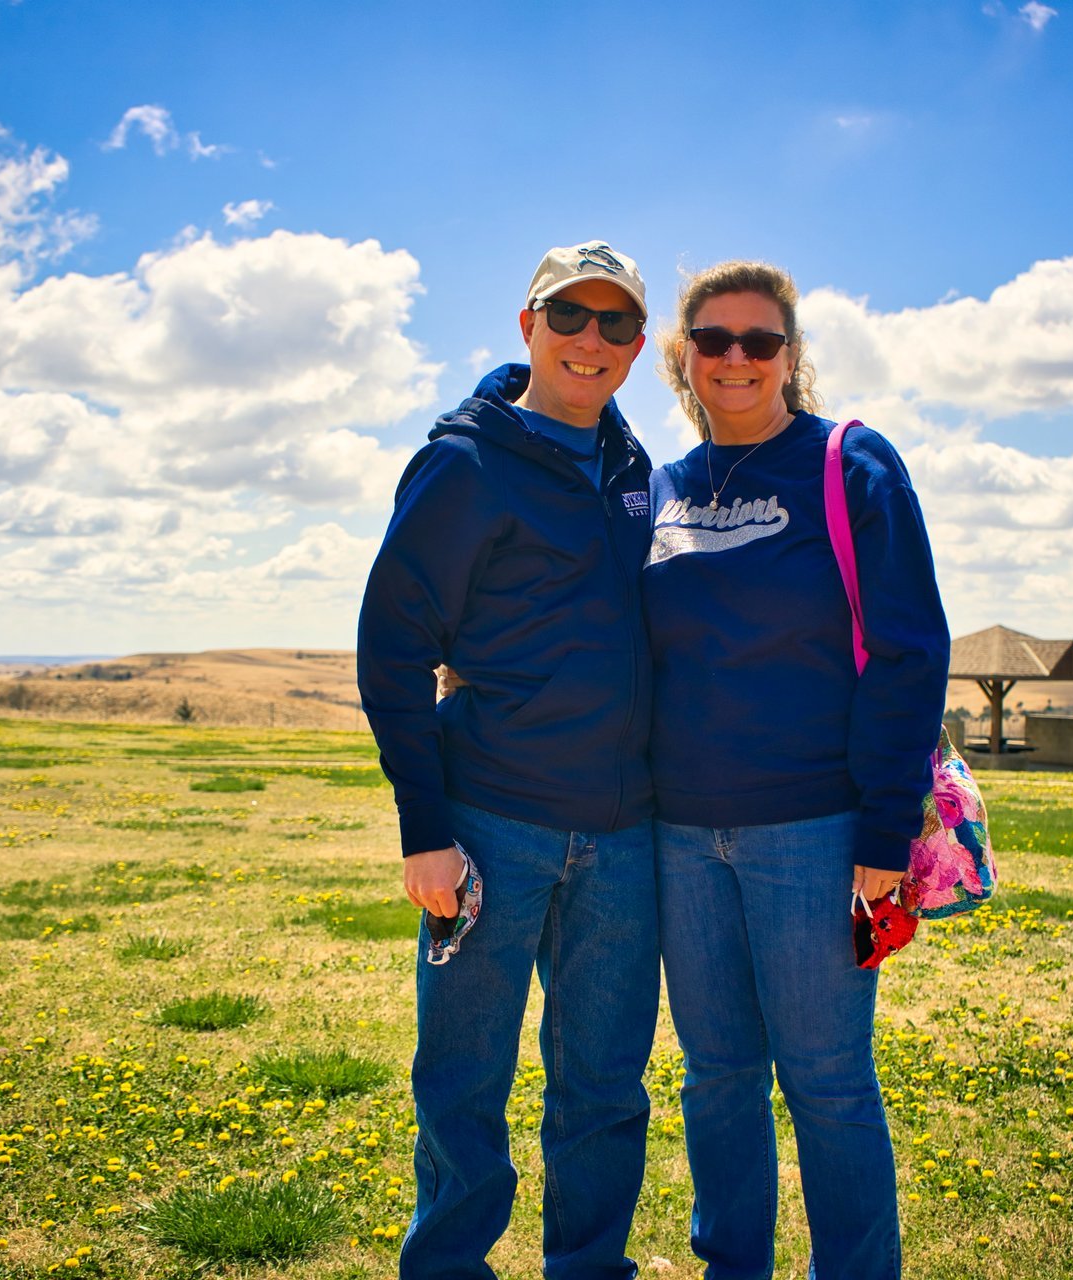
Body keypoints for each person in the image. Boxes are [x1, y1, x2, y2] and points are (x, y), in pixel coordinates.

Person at [357, 240, 660, 1280]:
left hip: (624, 841)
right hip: (492, 825)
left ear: (636, 345)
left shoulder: (634, 473)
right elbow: (392, 648)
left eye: (615, 323)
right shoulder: (465, 464)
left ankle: (589, 1267)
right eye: (568, 316)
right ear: (526, 324)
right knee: (463, 1082)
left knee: (608, 1088)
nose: (590, 339)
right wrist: (426, 834)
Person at [643, 260, 950, 1280]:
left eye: (759, 341)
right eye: (714, 339)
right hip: (682, 837)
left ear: (789, 355)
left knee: (827, 1081)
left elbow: (912, 652)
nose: (736, 358)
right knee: (717, 1078)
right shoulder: (661, 489)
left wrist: (881, 836)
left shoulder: (849, 465)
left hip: (815, 834)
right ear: (685, 356)